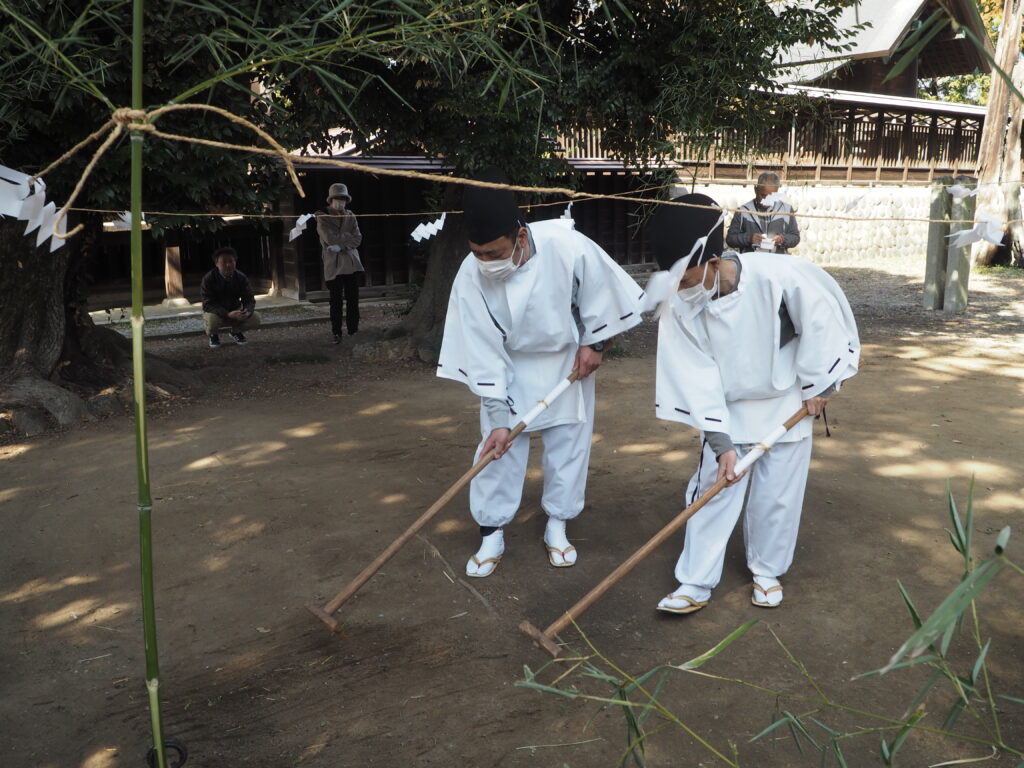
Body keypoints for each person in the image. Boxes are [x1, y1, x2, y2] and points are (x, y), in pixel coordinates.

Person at [648, 193, 858, 613]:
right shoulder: (681, 305)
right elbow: (692, 376)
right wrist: (721, 443)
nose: (682, 292)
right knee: (714, 489)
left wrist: (821, 387)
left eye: (687, 281)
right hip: (726, 410)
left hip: (786, 403)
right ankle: (695, 580)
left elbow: (822, 328)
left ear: (711, 264)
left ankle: (767, 570)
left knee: (778, 495)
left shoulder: (779, 277)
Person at [437, 169, 643, 578]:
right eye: (477, 253)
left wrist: (595, 343)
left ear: (521, 237)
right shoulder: (470, 274)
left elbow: (601, 294)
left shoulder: (566, 244)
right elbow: (480, 350)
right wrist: (497, 416)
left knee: (569, 444)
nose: (486, 263)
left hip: (566, 361)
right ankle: (492, 529)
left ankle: (558, 522)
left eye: (494, 253)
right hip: (508, 366)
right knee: (498, 448)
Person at [316, 182, 364, 343]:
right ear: (331, 200)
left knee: (353, 300)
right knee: (335, 301)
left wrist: (341, 245)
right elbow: (329, 238)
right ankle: (336, 332)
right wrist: (346, 239)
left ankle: (353, 331)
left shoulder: (351, 215)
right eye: (337, 198)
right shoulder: (322, 216)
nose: (340, 201)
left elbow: (358, 238)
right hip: (334, 265)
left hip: (352, 263)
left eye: (343, 198)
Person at [726, 171, 800, 254]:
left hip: (778, 263)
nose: (766, 201)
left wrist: (782, 239)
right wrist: (748, 239)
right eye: (763, 195)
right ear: (755, 190)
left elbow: (795, 237)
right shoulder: (743, 211)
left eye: (771, 196)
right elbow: (730, 239)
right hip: (751, 263)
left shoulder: (786, 210)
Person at [200, 246, 261, 348]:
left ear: (235, 262)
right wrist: (227, 314)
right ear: (216, 264)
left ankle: (236, 332)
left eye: (231, 261)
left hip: (235, 309)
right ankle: (213, 335)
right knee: (212, 321)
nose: (228, 265)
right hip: (215, 311)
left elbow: (249, 298)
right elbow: (207, 303)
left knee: (255, 318)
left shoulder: (241, 277)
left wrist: (247, 311)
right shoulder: (209, 278)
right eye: (224, 262)